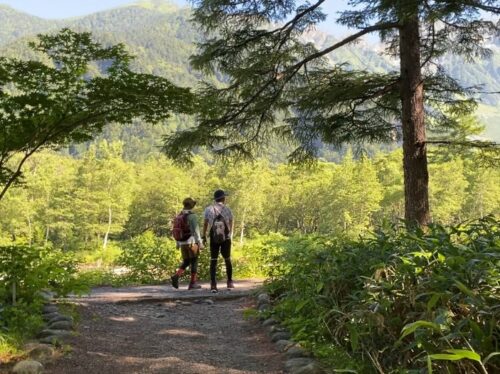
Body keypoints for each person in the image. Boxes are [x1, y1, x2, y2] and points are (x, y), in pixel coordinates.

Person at [202, 189, 234, 293]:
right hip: (226, 237)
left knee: (213, 260)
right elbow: (231, 221)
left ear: (215, 199)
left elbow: (205, 224)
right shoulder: (227, 209)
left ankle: (213, 285)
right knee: (227, 259)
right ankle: (229, 282)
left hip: (213, 236)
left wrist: (204, 236)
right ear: (223, 198)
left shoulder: (208, 209)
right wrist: (229, 233)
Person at [170, 197, 204, 290]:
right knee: (194, 261)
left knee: (186, 261)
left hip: (182, 243)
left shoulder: (178, 215)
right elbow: (196, 231)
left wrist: (177, 243)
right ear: (191, 205)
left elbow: (176, 230)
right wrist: (200, 243)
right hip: (191, 242)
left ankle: (176, 276)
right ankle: (193, 283)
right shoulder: (192, 216)